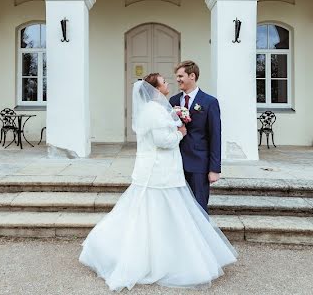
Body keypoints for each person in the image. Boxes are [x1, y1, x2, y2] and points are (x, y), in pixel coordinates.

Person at [79, 74, 237, 291]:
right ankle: (156, 259)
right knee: (156, 212)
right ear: (155, 89)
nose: (168, 84)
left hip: (157, 170)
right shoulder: (154, 111)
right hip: (158, 171)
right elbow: (163, 141)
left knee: (154, 213)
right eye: (164, 82)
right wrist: (180, 132)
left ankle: (163, 253)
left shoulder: (151, 109)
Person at [169, 60, 221, 210]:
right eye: (177, 76)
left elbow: (215, 136)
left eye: (180, 76)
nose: (177, 79)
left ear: (192, 76)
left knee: (199, 206)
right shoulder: (173, 101)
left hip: (199, 164)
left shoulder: (210, 102)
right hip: (176, 163)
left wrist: (214, 169)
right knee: (179, 207)